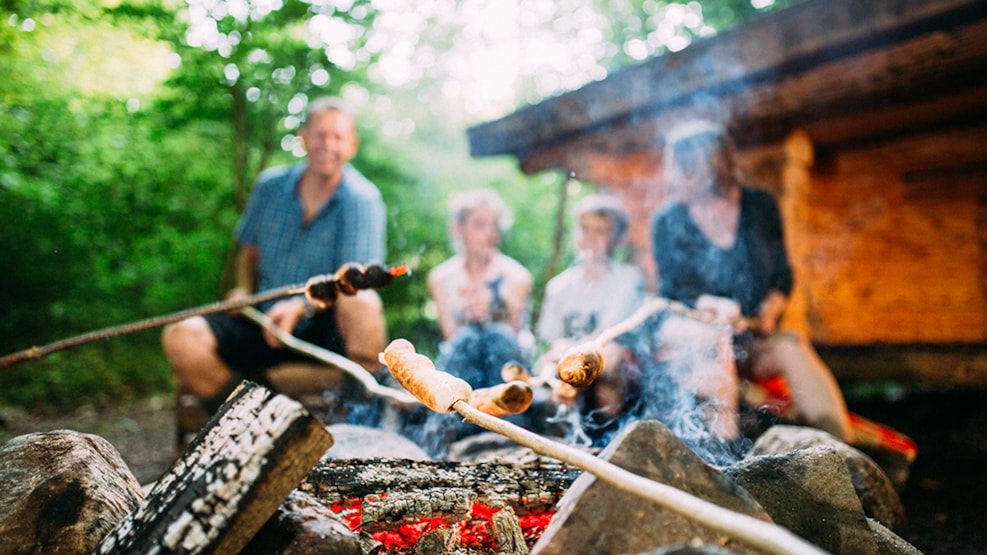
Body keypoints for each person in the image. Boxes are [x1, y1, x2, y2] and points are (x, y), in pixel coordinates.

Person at [162, 96, 388, 417]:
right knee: (181, 336)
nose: (328, 144)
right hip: (263, 323)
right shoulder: (269, 187)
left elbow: (354, 281)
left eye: (338, 137)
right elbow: (248, 252)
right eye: (320, 134)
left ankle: (364, 416)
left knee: (364, 303)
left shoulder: (363, 199)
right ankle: (250, 420)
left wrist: (301, 305)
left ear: (351, 145)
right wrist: (242, 288)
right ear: (303, 137)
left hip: (326, 333)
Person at [650, 119, 855, 444]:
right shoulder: (666, 220)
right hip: (697, 341)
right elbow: (671, 293)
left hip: (751, 337)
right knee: (710, 340)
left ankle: (842, 450)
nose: (669, 177)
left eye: (675, 166)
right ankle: (724, 452)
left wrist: (770, 311)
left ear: (706, 167)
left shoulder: (759, 206)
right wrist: (709, 306)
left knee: (792, 345)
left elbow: (782, 276)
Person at [536, 193, 646, 420]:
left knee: (607, 359)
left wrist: (568, 352)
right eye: (585, 229)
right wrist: (558, 353)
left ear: (618, 238)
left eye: (601, 231)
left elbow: (607, 334)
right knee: (548, 367)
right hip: (569, 363)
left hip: (618, 368)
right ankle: (566, 435)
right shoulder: (559, 287)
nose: (591, 238)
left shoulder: (627, 279)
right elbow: (552, 339)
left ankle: (608, 430)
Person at [427, 188, 533, 390]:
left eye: (494, 225)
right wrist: (466, 315)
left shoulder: (517, 276)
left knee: (498, 336)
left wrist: (493, 312)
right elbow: (450, 336)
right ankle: (455, 416)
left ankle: (505, 416)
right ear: (458, 228)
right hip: (461, 368)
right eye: (479, 225)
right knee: (466, 339)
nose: (490, 233)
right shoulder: (442, 277)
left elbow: (513, 335)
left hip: (505, 370)